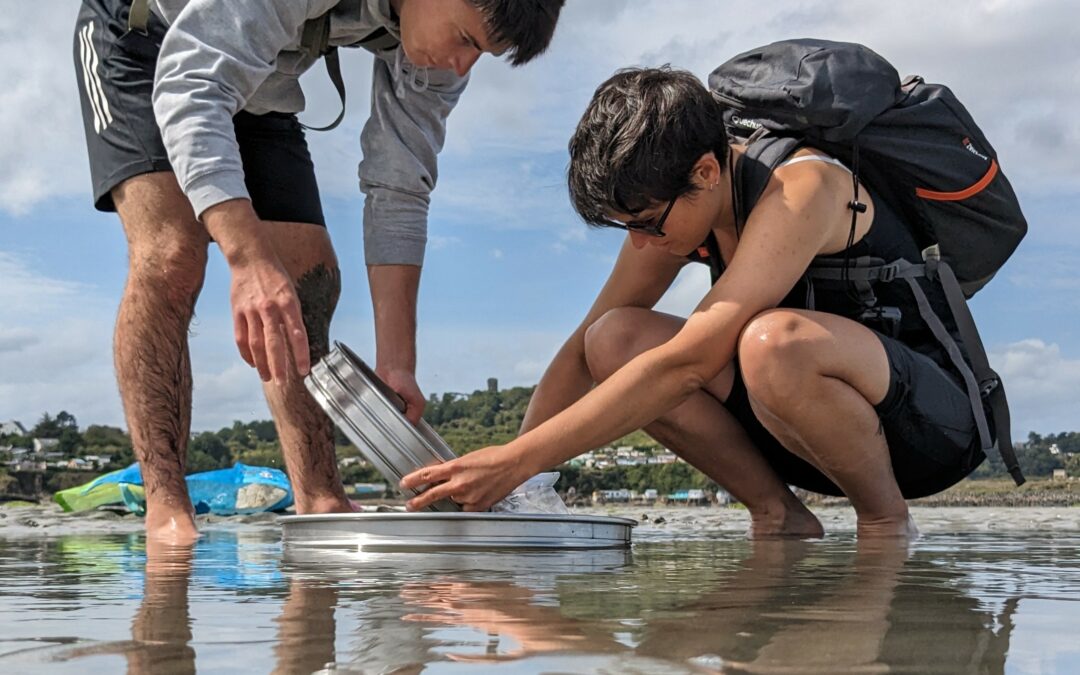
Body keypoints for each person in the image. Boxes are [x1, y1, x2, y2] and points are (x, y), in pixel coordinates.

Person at [401, 67, 993, 538]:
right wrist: (520, 482)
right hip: (800, 439)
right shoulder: (679, 205)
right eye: (622, 227)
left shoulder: (805, 187)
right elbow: (582, 353)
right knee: (612, 338)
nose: (640, 243)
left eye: (646, 224)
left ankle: (885, 526)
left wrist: (515, 461)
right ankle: (779, 515)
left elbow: (689, 362)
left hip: (928, 432)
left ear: (707, 171)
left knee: (772, 342)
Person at [73, 0, 565, 542]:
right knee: (173, 255)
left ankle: (320, 496)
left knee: (312, 276)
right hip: (152, 43)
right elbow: (192, 83)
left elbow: (399, 185)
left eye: (483, 56)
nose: (461, 67)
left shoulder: (440, 50)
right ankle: (166, 505)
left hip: (262, 75)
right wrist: (248, 258)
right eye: (466, 39)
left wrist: (396, 364)